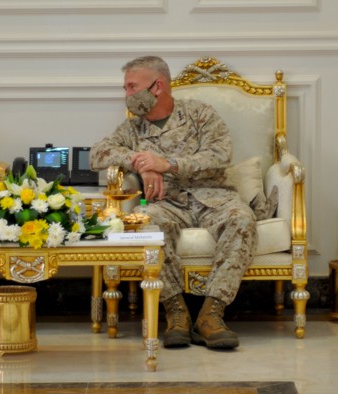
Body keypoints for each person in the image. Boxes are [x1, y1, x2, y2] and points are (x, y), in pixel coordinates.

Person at [90, 55, 256, 350]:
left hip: (213, 196)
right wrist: (141, 163)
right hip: (165, 202)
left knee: (241, 219)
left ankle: (211, 315)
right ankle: (175, 313)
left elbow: (219, 155)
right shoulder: (132, 130)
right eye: (125, 88)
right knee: (147, 225)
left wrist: (167, 163)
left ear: (157, 87)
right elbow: (98, 155)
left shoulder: (199, 114)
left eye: (131, 87)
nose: (127, 95)